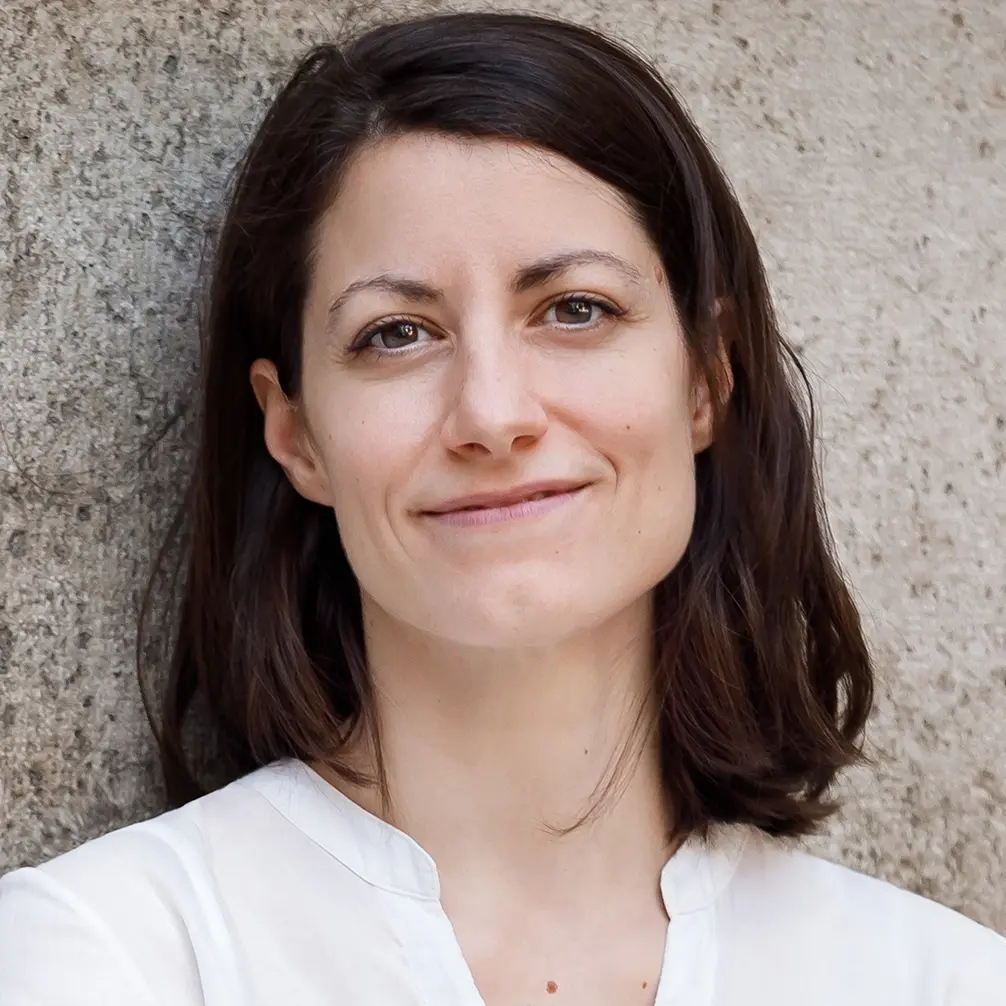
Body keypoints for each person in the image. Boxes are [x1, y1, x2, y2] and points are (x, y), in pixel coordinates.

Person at [0, 9, 1003, 1005]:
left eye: (575, 309)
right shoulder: (108, 956)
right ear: (297, 433)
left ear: (706, 376)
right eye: (397, 333)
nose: (491, 414)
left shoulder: (940, 982)